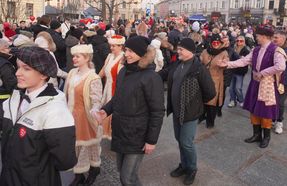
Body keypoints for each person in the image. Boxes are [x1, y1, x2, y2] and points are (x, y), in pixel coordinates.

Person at [93, 36, 165, 186]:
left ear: (143, 54)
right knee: (123, 172)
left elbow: (157, 112)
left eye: (131, 51)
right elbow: (117, 97)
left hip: (137, 134)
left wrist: (151, 140)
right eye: (126, 50)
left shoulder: (151, 77)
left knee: (127, 177)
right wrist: (105, 111)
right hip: (120, 130)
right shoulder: (124, 71)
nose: (127, 54)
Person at [0, 46, 77, 185]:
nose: (17, 73)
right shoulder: (15, 97)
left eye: (26, 68)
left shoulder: (55, 110)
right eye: (18, 67)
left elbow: (65, 161)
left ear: (43, 74)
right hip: (8, 177)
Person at [159, 38, 216, 185]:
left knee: (186, 142)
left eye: (181, 50)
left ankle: (191, 168)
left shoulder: (199, 68)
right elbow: (165, 73)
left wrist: (196, 103)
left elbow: (210, 92)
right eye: (178, 49)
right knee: (180, 140)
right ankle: (184, 165)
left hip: (190, 113)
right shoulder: (178, 63)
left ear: (190, 51)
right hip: (177, 110)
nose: (178, 51)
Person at [219, 25, 286, 148]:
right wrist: (227, 64)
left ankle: (266, 137)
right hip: (255, 83)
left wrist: (263, 73)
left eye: (258, 36)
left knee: (265, 112)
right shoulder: (256, 50)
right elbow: (243, 61)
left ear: (265, 37)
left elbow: (281, 66)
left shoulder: (276, 50)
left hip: (268, 86)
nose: (256, 38)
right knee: (254, 109)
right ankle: (256, 135)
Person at [65, 44, 103, 186]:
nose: (74, 58)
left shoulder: (93, 77)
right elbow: (67, 94)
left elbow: (96, 99)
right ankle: (79, 174)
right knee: (74, 147)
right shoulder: (72, 73)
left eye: (77, 56)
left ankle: (94, 170)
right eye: (73, 56)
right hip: (71, 116)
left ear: (86, 58)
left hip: (85, 118)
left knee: (88, 146)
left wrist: (95, 110)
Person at [200, 34, 229, 128]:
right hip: (204, 78)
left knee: (212, 102)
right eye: (214, 42)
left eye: (217, 42)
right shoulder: (205, 51)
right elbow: (200, 62)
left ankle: (210, 121)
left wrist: (224, 65)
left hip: (216, 80)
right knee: (202, 100)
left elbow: (227, 64)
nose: (216, 44)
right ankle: (201, 116)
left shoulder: (224, 53)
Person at [99, 35, 125, 140]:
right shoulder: (109, 56)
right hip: (107, 87)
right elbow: (103, 70)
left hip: (117, 88)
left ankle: (116, 134)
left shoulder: (123, 58)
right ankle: (110, 133)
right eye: (111, 45)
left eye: (114, 46)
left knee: (115, 112)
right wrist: (93, 80)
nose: (111, 48)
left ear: (121, 46)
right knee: (106, 109)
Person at [228, 35, 250, 108]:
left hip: (240, 72)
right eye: (237, 41)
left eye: (241, 41)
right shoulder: (233, 49)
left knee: (238, 88)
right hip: (232, 71)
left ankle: (241, 100)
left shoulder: (246, 50)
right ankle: (232, 100)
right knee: (231, 88)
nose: (239, 42)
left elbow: (246, 63)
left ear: (244, 42)